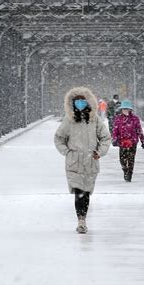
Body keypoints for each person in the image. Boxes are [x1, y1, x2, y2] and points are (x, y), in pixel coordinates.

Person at [54, 87, 111, 234]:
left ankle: (83, 217)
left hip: (91, 161)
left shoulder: (95, 120)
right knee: (78, 191)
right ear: (72, 103)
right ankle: (81, 220)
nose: (80, 104)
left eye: (82, 101)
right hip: (74, 162)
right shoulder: (69, 120)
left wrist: (100, 152)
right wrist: (67, 152)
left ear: (88, 102)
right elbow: (59, 138)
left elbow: (105, 137)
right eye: (77, 101)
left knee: (86, 193)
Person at [112, 100, 144, 182]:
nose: (125, 110)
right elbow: (115, 130)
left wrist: (142, 140)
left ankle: (129, 173)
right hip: (122, 142)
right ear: (121, 109)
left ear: (130, 109)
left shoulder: (135, 119)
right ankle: (125, 170)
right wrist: (114, 139)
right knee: (122, 159)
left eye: (127, 109)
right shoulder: (118, 119)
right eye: (124, 109)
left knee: (131, 159)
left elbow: (139, 130)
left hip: (132, 142)